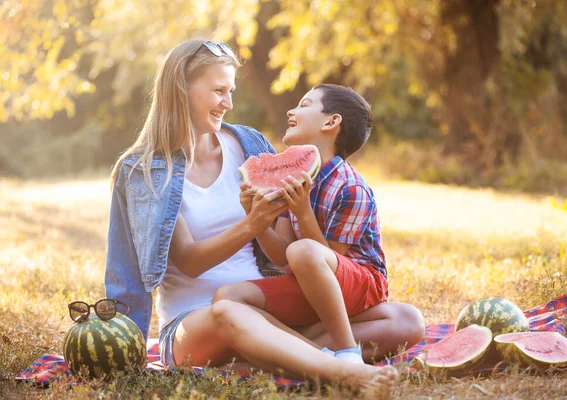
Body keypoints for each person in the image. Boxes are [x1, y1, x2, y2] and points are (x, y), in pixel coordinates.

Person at [104, 39, 404, 395]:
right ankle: (344, 371)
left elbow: (286, 245)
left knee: (401, 319)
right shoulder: (143, 170)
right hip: (193, 324)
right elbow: (189, 261)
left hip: (265, 305)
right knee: (228, 312)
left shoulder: (249, 144)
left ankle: (277, 352)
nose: (228, 104)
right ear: (181, 87)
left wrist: (281, 220)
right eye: (218, 90)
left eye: (230, 91)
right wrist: (251, 222)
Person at [212, 84, 396, 364]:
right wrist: (257, 219)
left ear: (331, 122)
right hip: (306, 275)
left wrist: (303, 211)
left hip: (361, 283)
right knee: (228, 296)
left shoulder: (352, 188)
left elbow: (328, 259)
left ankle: (347, 354)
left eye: (304, 104)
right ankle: (310, 353)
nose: (291, 110)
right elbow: (282, 256)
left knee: (304, 252)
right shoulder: (292, 177)